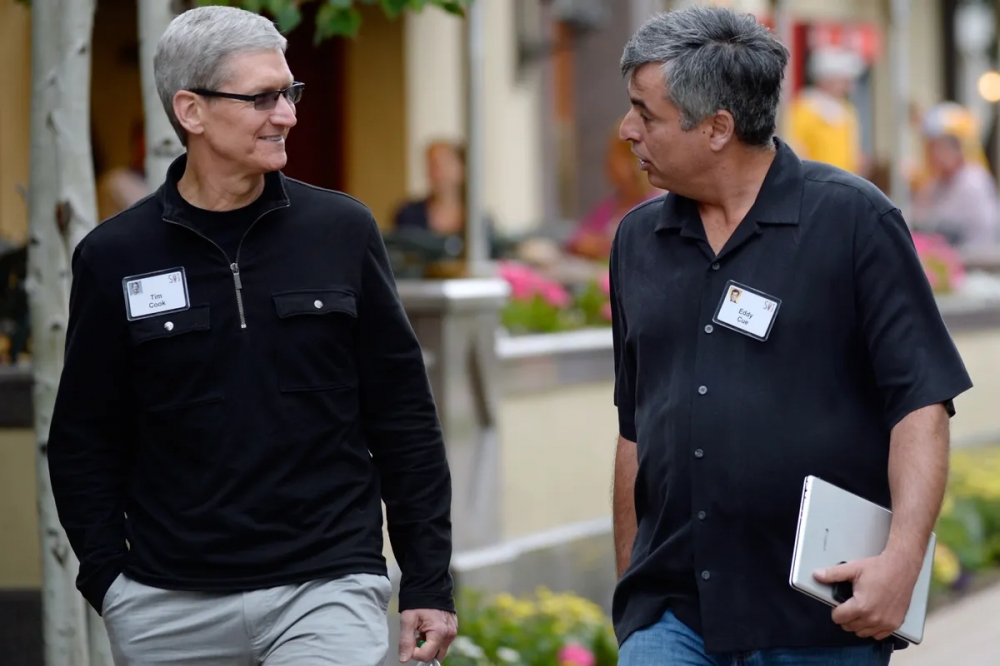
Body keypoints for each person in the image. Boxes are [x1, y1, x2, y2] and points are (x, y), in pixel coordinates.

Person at [46, 7, 456, 665]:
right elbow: (83, 436)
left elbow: (403, 415)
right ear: (192, 111)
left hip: (327, 586)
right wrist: (109, 581)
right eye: (262, 97)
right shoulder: (113, 255)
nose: (287, 114)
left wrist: (428, 579)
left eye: (288, 93)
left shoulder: (342, 231)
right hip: (165, 606)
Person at [610, 7, 972, 665]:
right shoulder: (637, 240)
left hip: (820, 615)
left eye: (647, 114)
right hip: (671, 615)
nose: (627, 130)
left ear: (718, 127)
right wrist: (631, 603)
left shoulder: (855, 221)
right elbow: (635, 428)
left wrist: (903, 562)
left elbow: (921, 404)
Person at [566, 122, 663, 260]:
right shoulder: (610, 205)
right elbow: (577, 238)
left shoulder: (654, 206)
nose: (609, 164)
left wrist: (602, 247)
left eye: (616, 157)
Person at [910, 128, 999, 252]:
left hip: (977, 252)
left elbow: (948, 222)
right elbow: (920, 216)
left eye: (940, 153)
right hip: (953, 252)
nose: (936, 160)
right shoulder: (938, 183)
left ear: (955, 153)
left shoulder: (973, 180)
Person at [787, 45, 867, 175]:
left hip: (844, 183)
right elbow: (794, 148)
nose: (848, 86)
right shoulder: (804, 108)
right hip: (813, 184)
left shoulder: (847, 111)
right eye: (843, 80)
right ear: (826, 79)